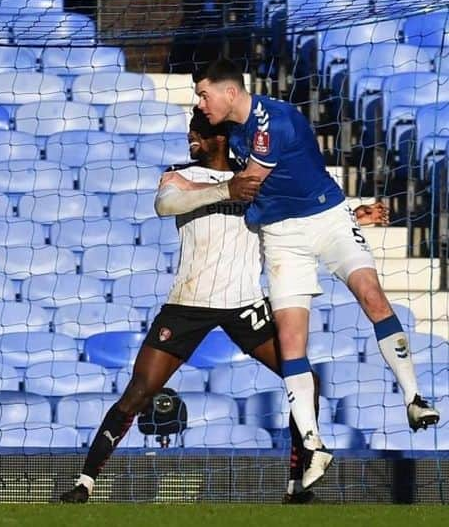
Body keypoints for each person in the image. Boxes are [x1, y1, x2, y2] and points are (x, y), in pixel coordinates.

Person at [58, 109, 390, 505]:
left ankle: (295, 487)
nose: (191, 137)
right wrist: (228, 191)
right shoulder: (181, 175)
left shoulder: (259, 177)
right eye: (191, 131)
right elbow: (166, 204)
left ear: (221, 137)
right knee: (139, 392)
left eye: (198, 132)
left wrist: (352, 215)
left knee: (307, 382)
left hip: (244, 304)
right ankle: (85, 483)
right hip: (188, 304)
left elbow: (299, 212)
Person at [194, 58, 439, 490]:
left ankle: (414, 397)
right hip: (282, 236)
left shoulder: (273, 122)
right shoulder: (232, 132)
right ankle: (313, 445)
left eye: (203, 93)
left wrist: (188, 192)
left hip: (328, 220)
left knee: (372, 296)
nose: (200, 102)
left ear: (230, 92)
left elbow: (247, 184)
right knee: (290, 342)